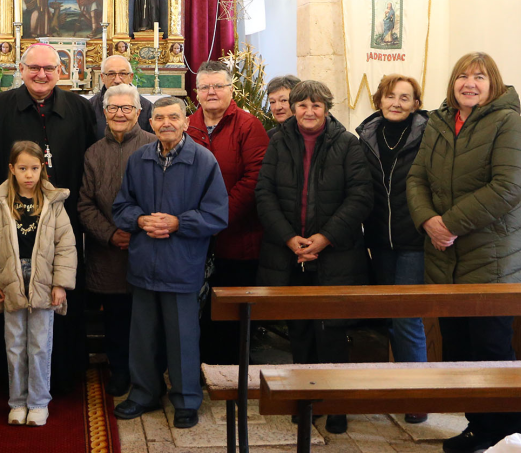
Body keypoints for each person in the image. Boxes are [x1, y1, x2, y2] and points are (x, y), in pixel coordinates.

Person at [407, 53, 521, 453]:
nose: (469, 83)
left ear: (492, 83)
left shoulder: (507, 122)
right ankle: (479, 428)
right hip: (448, 258)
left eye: (479, 76)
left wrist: (449, 224)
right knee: (460, 348)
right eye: (462, 76)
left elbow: (508, 186)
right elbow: (417, 177)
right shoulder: (440, 121)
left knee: (492, 349)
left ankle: (509, 433)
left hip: (494, 257)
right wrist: (428, 220)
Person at [0, 42, 97, 392]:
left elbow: (89, 168)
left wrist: (83, 219)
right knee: (11, 303)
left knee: (58, 296)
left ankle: (61, 375)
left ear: (61, 71)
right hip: (11, 227)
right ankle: (8, 378)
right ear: (21, 70)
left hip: (62, 229)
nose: (42, 74)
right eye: (35, 68)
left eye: (49, 68)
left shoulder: (79, 109)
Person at [254, 80, 372, 435]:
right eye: (302, 105)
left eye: (316, 105)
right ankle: (304, 399)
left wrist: (324, 238)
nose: (308, 111)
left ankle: (335, 405)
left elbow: (360, 197)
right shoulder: (277, 142)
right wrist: (289, 238)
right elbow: (264, 193)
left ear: (326, 108)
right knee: (300, 330)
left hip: (335, 254)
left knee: (331, 332)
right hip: (289, 252)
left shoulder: (348, 144)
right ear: (293, 108)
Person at [112, 97, 228, 429]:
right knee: (143, 337)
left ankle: (187, 400)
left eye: (173, 117)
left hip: (182, 264)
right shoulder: (138, 160)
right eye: (159, 117)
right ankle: (144, 393)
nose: (166, 123)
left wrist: (179, 223)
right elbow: (121, 207)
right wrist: (140, 220)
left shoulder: (203, 161)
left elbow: (217, 215)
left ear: (186, 122)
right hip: (144, 263)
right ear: (150, 123)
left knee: (182, 338)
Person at [0, 140, 77, 426]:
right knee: (15, 344)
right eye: (22, 169)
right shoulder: (1, 205)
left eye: (34, 168)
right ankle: (18, 401)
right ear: (12, 169)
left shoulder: (53, 204)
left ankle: (38, 402)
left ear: (42, 168)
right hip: (11, 280)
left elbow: (66, 246)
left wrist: (60, 284)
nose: (29, 174)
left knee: (40, 344)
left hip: (43, 280)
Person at [355, 74, 430, 425]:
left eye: (404, 97)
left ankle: (417, 395)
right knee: (389, 314)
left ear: (416, 104)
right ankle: (399, 384)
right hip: (379, 240)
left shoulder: (428, 135)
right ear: (379, 99)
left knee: (407, 317)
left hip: (414, 238)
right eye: (390, 96)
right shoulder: (367, 135)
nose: (396, 103)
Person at [187, 61, 269, 365]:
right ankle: (201, 369)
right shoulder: (187, 125)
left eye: (218, 86)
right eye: (205, 87)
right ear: (196, 92)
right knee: (199, 312)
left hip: (237, 239)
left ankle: (231, 375)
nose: (211, 92)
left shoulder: (248, 125)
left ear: (230, 90)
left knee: (231, 314)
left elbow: (255, 178)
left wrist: (218, 218)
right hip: (194, 238)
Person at [78, 83, 157, 396]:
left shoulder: (154, 145)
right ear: (104, 112)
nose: (120, 113)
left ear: (138, 112)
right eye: (113, 108)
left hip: (147, 247)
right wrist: (111, 234)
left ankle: (147, 374)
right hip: (108, 251)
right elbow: (84, 204)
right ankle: (120, 371)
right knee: (115, 317)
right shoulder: (93, 152)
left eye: (127, 108)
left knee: (146, 319)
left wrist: (138, 230)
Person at [90, 55, 153, 137]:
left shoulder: (147, 107)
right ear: (102, 77)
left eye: (122, 74)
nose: (117, 80)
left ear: (131, 77)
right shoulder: (90, 107)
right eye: (111, 74)